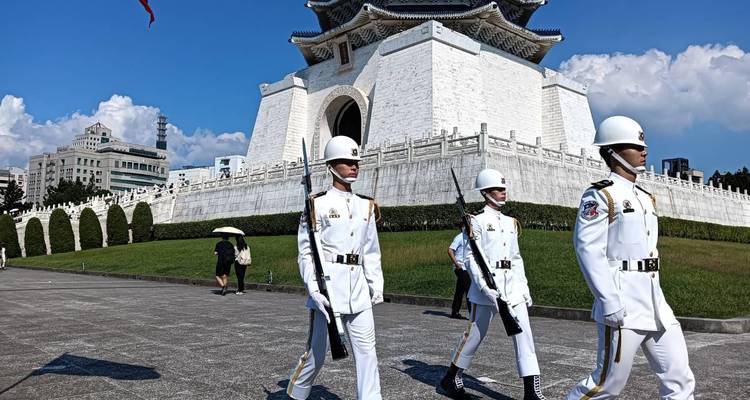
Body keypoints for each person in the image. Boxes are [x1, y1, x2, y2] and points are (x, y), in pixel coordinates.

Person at [565, 116, 695, 399]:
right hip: (623, 305)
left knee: (680, 379)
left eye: (643, 144)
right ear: (612, 152)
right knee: (607, 385)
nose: (643, 150)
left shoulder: (645, 197)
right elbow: (588, 249)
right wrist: (608, 301)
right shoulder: (600, 196)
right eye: (634, 145)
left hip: (656, 303)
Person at [286, 135, 384, 400]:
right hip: (329, 287)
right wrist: (314, 289)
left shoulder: (366, 205)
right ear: (332, 165)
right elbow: (306, 252)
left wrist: (376, 285)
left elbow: (371, 250)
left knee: (367, 354)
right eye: (347, 162)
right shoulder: (317, 204)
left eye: (356, 162)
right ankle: (297, 392)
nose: (354, 167)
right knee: (316, 355)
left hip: (358, 288)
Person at [440, 168, 547, 400]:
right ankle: (451, 376)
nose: (503, 192)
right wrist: (485, 288)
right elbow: (472, 258)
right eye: (498, 189)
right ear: (486, 192)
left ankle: (532, 392)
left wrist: (524, 286)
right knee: (476, 333)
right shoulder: (476, 221)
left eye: (503, 188)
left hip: (512, 286)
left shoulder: (510, 222)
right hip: (486, 287)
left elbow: (516, 258)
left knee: (524, 334)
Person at [447, 223, 471, 319]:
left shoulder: (470, 237)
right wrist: (456, 263)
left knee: (460, 290)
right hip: (460, 268)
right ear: (462, 227)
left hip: (468, 268)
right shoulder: (459, 237)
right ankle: (473, 314)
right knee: (469, 289)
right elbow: (450, 250)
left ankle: (455, 312)